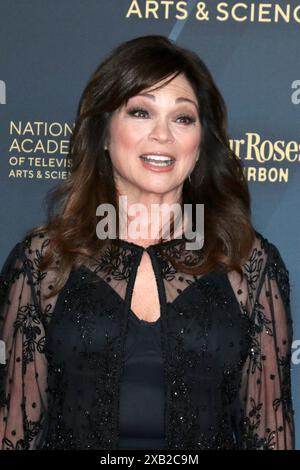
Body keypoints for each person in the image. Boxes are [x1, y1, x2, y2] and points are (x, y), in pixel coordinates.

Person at [0, 35, 295, 450]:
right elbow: (14, 431)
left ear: (200, 144)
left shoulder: (248, 262)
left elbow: (270, 433)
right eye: (141, 112)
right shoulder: (43, 260)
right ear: (103, 134)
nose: (163, 135)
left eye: (183, 118)